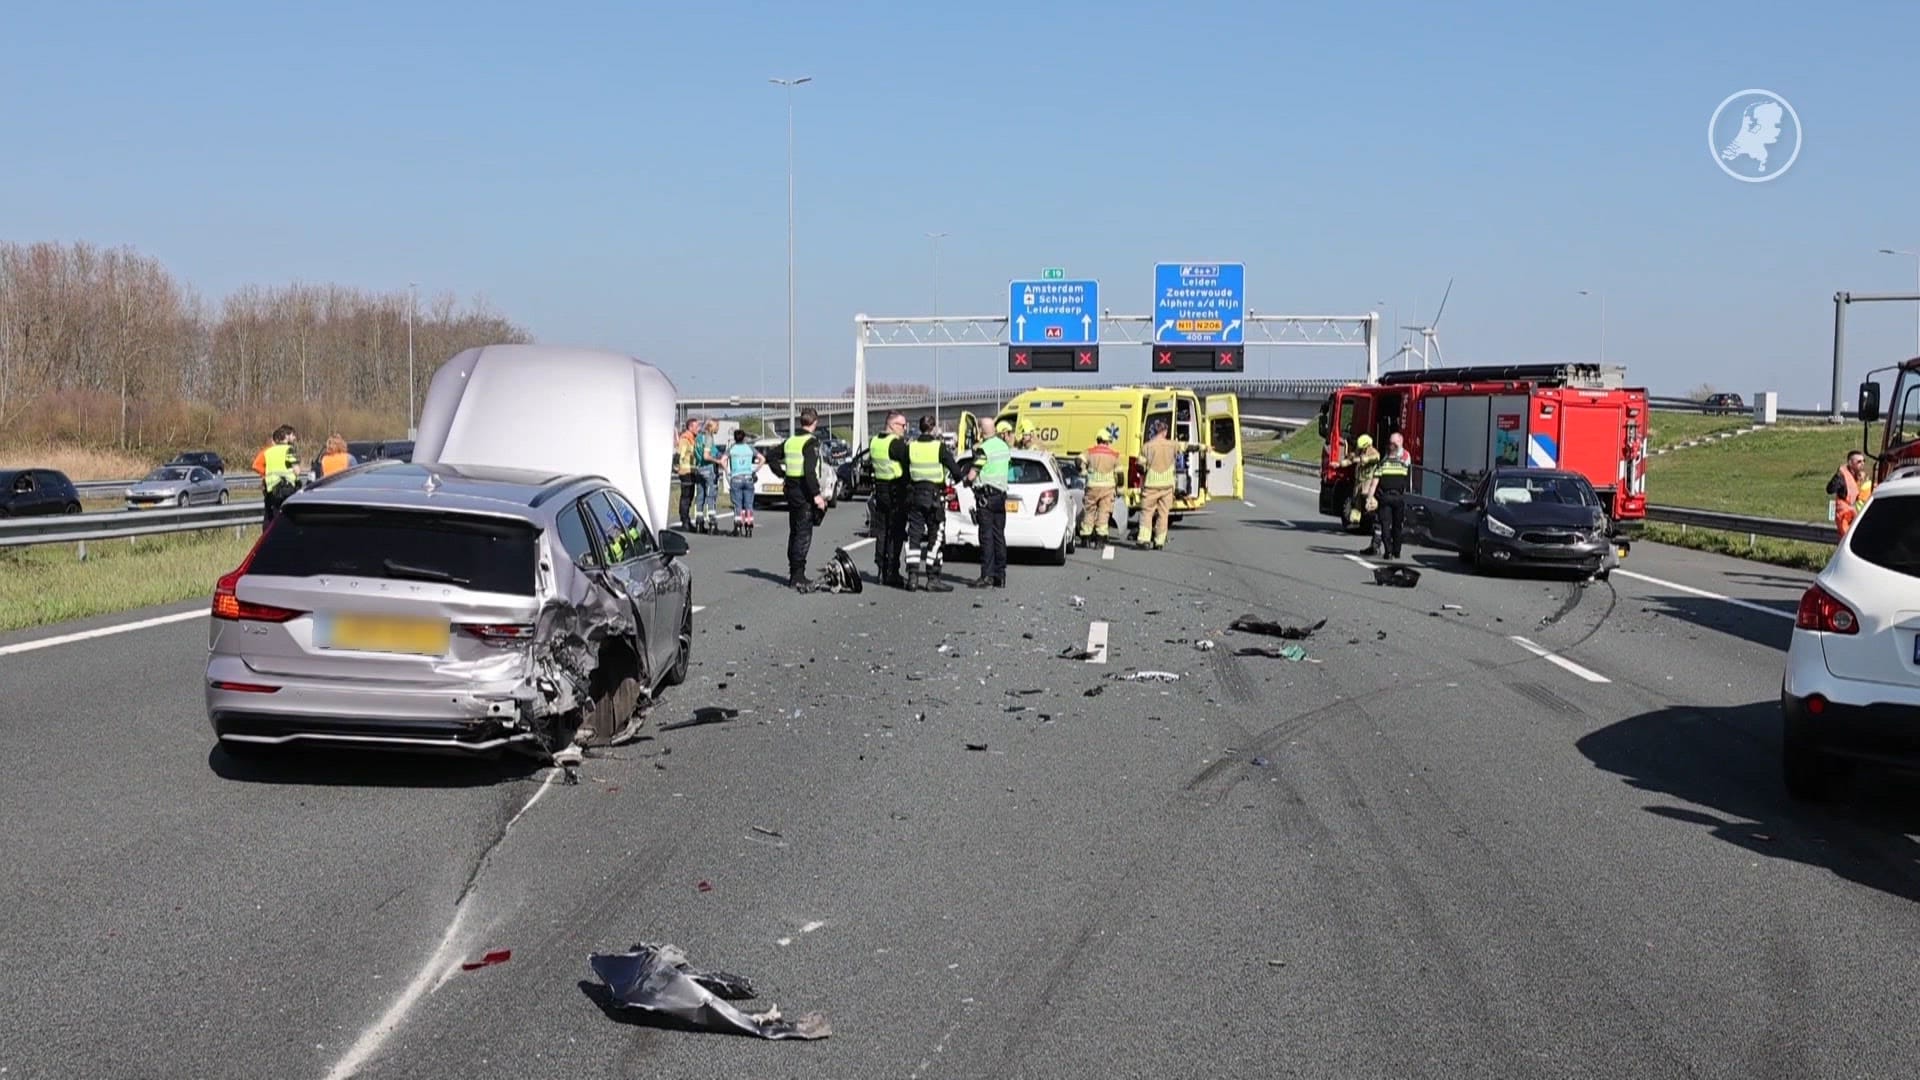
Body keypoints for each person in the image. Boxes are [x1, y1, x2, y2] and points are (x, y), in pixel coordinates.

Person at [903, 415, 960, 592]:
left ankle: (912, 577)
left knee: (914, 536)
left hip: (914, 497)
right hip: (934, 498)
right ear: (933, 428)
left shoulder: (911, 447)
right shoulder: (939, 447)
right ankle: (932, 577)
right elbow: (956, 471)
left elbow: (905, 472)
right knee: (936, 538)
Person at [777, 408, 828, 590]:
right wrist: (816, 496)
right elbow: (809, 471)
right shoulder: (810, 442)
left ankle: (794, 573)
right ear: (815, 422)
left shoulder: (790, 441)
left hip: (791, 489)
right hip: (803, 491)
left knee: (795, 531)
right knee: (803, 534)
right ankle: (798, 576)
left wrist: (783, 475)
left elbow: (771, 457)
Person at [967, 419, 1015, 588]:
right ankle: (1000, 576)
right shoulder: (1003, 447)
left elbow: (973, 475)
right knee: (999, 536)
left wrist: (967, 480)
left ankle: (986, 576)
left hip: (985, 498)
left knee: (986, 537)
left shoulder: (983, 449)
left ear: (981, 430)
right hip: (1000, 497)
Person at [869, 411, 912, 587]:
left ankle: (881, 569)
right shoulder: (895, 444)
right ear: (892, 425)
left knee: (881, 532)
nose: (904, 429)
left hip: (880, 490)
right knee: (896, 533)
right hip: (896, 491)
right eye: (902, 425)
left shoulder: (875, 441)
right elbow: (909, 462)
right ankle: (892, 572)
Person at [1136, 418, 1177, 550]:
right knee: (1163, 514)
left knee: (1147, 512)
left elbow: (1140, 467)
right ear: (1165, 431)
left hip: (1151, 485)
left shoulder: (1147, 446)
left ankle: (1144, 540)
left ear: (1155, 431)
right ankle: (1159, 542)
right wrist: (1205, 448)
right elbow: (1188, 446)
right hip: (1167, 485)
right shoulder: (1172, 445)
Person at [1077, 426, 1121, 548]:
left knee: (1089, 511)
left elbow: (1078, 461)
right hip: (1107, 488)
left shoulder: (1089, 452)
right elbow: (1120, 474)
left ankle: (1086, 537)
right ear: (1107, 441)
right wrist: (1120, 487)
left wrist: (1083, 472)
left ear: (1098, 440)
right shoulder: (1114, 455)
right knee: (1103, 512)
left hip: (1092, 486)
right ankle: (1100, 540)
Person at [1373, 432, 1412, 560]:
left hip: (1392, 497)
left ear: (1400, 442)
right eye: (1390, 443)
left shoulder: (1404, 457)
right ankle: (1392, 551)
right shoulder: (1394, 462)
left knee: (1391, 525)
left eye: (1394, 443)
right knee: (1391, 525)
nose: (1392, 445)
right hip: (1393, 497)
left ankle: (1392, 551)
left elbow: (1377, 478)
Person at [253, 424, 300, 525]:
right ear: (286, 437)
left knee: (271, 520)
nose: (293, 438)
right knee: (287, 519)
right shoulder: (288, 450)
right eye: (291, 435)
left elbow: (257, 465)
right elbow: (297, 471)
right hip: (286, 489)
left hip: (271, 490)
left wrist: (266, 476)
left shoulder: (268, 452)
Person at [1342, 433, 1381, 550]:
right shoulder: (1360, 452)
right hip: (1359, 482)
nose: (1360, 449)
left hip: (1367, 482)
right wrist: (1346, 460)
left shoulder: (1373, 453)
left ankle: (1374, 510)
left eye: (1362, 448)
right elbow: (1353, 457)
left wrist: (1366, 459)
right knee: (1356, 501)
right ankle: (1357, 517)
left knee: (1367, 498)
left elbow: (1375, 458)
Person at [726, 428, 762, 537]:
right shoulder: (749, 448)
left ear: (734, 438)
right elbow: (762, 458)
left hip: (736, 478)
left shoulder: (732, 449)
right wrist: (754, 469)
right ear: (744, 438)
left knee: (738, 504)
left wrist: (728, 471)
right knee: (748, 503)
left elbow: (723, 460)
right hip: (748, 478)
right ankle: (749, 525)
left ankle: (738, 525)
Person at [1828, 450, 1870, 537]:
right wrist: (1837, 477)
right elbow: (1830, 489)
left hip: (1853, 514)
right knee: (1847, 541)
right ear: (1850, 463)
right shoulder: (1842, 475)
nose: (1862, 463)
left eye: (1863, 461)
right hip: (1845, 516)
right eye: (1859, 461)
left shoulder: (1858, 476)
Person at [695, 419, 723, 533]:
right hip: (708, 468)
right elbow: (706, 456)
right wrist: (717, 461)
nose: (718, 429)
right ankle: (712, 521)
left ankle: (699, 521)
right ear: (712, 427)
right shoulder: (708, 438)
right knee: (711, 495)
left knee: (700, 496)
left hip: (699, 469)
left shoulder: (698, 438)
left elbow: (698, 454)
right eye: (717, 426)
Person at [675, 417, 702, 532]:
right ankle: (684, 521)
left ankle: (687, 520)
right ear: (690, 427)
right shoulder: (685, 439)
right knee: (686, 497)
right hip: (685, 472)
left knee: (689, 497)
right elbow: (679, 454)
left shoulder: (692, 439)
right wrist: (677, 467)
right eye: (696, 427)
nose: (698, 429)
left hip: (691, 471)